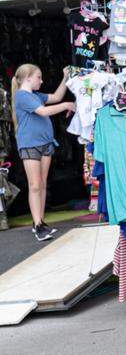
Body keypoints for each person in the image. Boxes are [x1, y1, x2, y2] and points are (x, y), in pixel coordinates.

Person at [12, 64, 74, 241]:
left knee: (42, 184)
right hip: (30, 144)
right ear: (28, 78)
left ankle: (39, 222)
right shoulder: (22, 96)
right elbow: (43, 111)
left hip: (46, 143)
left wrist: (65, 77)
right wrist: (66, 105)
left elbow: (56, 96)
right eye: (38, 77)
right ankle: (38, 225)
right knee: (35, 185)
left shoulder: (35, 95)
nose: (41, 80)